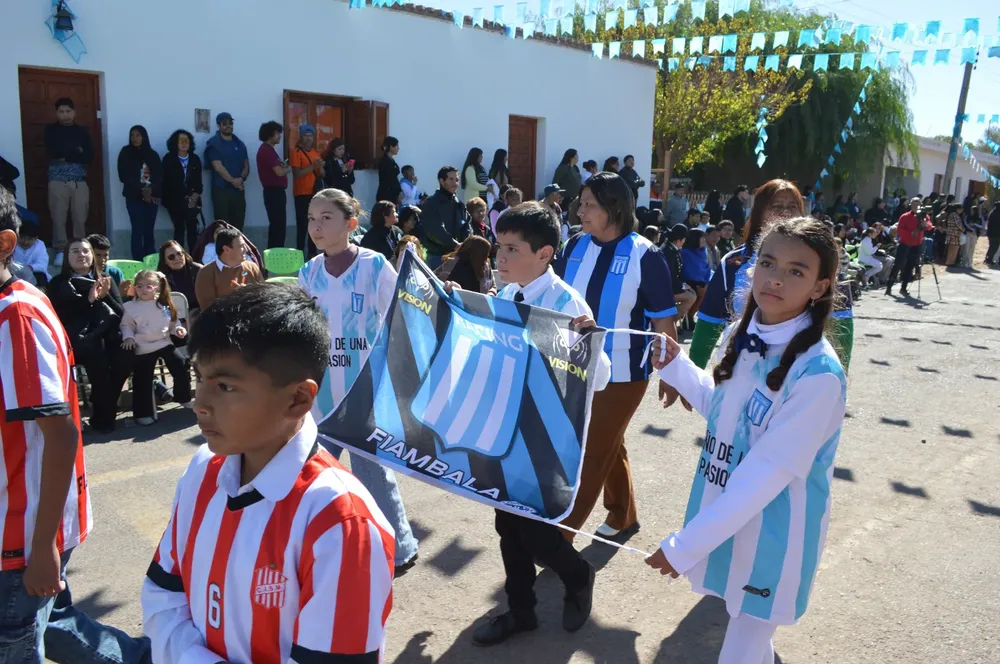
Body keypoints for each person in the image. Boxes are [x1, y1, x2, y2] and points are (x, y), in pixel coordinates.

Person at [141, 283, 394, 664]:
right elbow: (163, 595)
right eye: (199, 379)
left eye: (225, 386)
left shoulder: (340, 521)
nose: (200, 403)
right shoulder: (202, 471)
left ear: (298, 399)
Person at [645, 217, 847, 664]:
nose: (775, 278)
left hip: (776, 532)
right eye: (768, 262)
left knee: (744, 643)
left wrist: (686, 544)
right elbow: (724, 411)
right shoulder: (744, 333)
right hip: (728, 512)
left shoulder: (819, 376)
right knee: (747, 625)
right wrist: (677, 367)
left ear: (819, 287)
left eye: (797, 271)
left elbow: (762, 476)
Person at [0, 191, 154, 664]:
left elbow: (62, 434)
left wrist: (44, 544)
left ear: (4, 242)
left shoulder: (16, 317)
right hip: (19, 523)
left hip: (21, 532)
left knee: (16, 642)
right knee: (56, 625)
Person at [469, 202, 607, 646]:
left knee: (534, 531)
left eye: (511, 249)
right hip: (506, 431)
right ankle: (521, 610)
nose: (499, 258)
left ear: (545, 254)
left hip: (546, 439)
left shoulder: (567, 304)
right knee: (507, 526)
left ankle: (577, 573)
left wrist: (587, 343)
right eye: (498, 246)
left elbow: (599, 377)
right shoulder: (507, 296)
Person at [297, 188, 419, 569]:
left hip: (365, 391)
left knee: (373, 474)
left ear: (351, 224)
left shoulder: (374, 265)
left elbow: (403, 314)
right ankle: (317, 549)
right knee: (314, 476)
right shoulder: (309, 271)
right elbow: (303, 325)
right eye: (311, 219)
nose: (316, 226)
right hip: (321, 396)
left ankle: (399, 549)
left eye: (326, 218)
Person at [555, 172, 678, 539]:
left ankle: (559, 535)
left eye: (590, 204)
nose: (580, 210)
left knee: (592, 451)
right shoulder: (574, 245)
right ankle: (623, 514)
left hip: (624, 374)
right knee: (610, 442)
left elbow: (665, 324)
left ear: (614, 208)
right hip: (574, 366)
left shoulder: (646, 255)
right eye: (581, 202)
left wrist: (673, 376)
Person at [687, 179, 853, 374]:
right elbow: (709, 320)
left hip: (799, 373)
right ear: (759, 213)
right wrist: (690, 372)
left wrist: (839, 375)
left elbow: (842, 323)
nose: (785, 212)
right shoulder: (733, 263)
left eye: (792, 206)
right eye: (776, 206)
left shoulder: (824, 261)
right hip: (742, 369)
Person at [48, 238, 130, 433]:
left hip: (107, 334)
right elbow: (60, 315)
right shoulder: (59, 283)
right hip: (79, 339)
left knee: (126, 355)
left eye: (85, 251)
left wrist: (105, 295)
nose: (81, 255)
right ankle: (104, 415)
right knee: (97, 353)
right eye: (75, 251)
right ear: (68, 258)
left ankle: (104, 402)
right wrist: (88, 299)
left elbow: (120, 312)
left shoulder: (105, 278)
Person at [120, 270, 192, 425]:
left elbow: (173, 322)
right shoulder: (130, 307)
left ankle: (183, 396)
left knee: (180, 364)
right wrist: (129, 337)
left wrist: (178, 329)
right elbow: (126, 325)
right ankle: (142, 412)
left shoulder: (164, 304)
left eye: (148, 286)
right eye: (139, 286)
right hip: (143, 345)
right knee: (143, 378)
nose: (143, 290)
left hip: (164, 342)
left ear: (156, 288)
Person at [46, 98, 94, 267]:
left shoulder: (82, 131)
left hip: (79, 182)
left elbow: (88, 155)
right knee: (58, 217)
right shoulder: (51, 130)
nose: (65, 115)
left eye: (68, 111)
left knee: (80, 217)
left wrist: (66, 153)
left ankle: (79, 251)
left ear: (74, 112)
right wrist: (75, 151)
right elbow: (53, 151)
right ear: (56, 112)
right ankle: (60, 251)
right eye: (61, 111)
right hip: (57, 182)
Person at [117, 125, 162, 260]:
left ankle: (150, 260)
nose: (135, 138)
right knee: (138, 229)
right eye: (132, 135)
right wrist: (141, 189)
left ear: (144, 136)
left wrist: (151, 189)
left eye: (138, 135)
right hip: (134, 196)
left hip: (151, 197)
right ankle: (137, 260)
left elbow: (159, 175)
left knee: (149, 230)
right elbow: (123, 175)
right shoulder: (126, 152)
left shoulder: (152, 154)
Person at [194, 227, 263, 309]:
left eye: (245, 246)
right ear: (226, 249)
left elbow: (264, 296)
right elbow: (208, 309)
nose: (245, 249)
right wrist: (237, 298)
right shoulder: (206, 273)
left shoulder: (252, 267)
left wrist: (248, 294)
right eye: (241, 246)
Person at [204, 112, 249, 229]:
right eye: (225, 123)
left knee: (238, 226)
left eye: (231, 123)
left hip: (238, 191)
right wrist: (233, 181)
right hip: (221, 191)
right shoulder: (214, 143)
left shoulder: (239, 143)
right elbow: (218, 166)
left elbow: (246, 165)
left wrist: (241, 179)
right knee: (222, 227)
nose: (228, 126)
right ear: (218, 126)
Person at [161, 129, 204, 251]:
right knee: (179, 229)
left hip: (192, 202)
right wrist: (183, 197)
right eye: (181, 141)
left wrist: (194, 197)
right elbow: (167, 182)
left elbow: (199, 183)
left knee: (193, 230)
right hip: (174, 201)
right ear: (175, 142)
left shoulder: (195, 159)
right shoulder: (168, 159)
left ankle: (194, 259)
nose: (184, 143)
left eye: (187, 141)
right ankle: (179, 258)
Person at [421, 166, 472, 268]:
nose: (455, 183)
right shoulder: (431, 203)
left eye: (457, 180)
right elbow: (434, 230)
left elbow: (466, 227)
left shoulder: (460, 205)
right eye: (451, 179)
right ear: (442, 181)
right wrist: (455, 245)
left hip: (457, 256)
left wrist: (465, 244)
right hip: (436, 257)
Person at [885, 197, 931, 297]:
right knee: (897, 265)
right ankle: (889, 287)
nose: (916, 206)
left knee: (910, 266)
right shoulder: (904, 216)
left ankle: (904, 288)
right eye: (914, 204)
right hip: (905, 243)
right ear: (911, 205)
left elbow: (929, 226)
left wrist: (925, 224)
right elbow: (900, 230)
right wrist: (911, 233)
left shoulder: (924, 216)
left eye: (918, 204)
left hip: (916, 244)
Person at [290, 125, 325, 256]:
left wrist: (320, 167)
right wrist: (313, 166)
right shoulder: (296, 152)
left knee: (314, 224)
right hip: (301, 194)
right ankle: (299, 254)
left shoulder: (316, 152)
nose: (308, 138)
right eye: (306, 135)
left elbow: (321, 174)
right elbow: (297, 173)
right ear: (301, 137)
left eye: (310, 136)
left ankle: (312, 253)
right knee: (302, 225)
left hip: (314, 194)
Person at [256, 120, 291, 250]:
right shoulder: (266, 150)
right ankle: (276, 255)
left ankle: (274, 254)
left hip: (275, 192)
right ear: (270, 134)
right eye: (277, 133)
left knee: (277, 225)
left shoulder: (269, 150)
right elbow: (279, 172)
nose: (280, 136)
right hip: (274, 192)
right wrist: (289, 168)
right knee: (278, 226)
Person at [661, 223, 697, 321]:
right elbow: (669, 276)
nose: (685, 242)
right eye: (684, 239)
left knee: (692, 293)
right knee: (690, 298)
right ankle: (669, 321)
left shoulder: (671, 249)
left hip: (670, 286)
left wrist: (684, 285)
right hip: (662, 290)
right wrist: (683, 286)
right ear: (678, 240)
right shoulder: (669, 252)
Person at [192, 219, 263, 268]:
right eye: (217, 232)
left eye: (223, 231)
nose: (220, 234)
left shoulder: (236, 244)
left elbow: (248, 260)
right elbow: (207, 263)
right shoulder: (209, 247)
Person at [157, 240, 201, 313]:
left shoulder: (199, 270)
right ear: (165, 261)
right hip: (172, 315)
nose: (177, 258)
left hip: (198, 311)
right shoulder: (160, 277)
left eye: (179, 254)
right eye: (171, 257)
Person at [681, 228, 711, 320]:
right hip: (687, 281)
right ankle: (689, 317)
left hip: (701, 281)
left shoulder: (703, 252)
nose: (704, 240)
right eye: (701, 238)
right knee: (702, 291)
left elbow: (706, 268)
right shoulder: (685, 252)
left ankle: (691, 315)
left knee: (709, 288)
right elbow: (687, 271)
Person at [14, 218, 50, 287]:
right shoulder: (12, 243)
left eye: (29, 239)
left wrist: (29, 268)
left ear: (36, 238)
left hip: (36, 275)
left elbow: (42, 265)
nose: (25, 242)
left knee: (41, 276)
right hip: (15, 276)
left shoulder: (40, 245)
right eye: (22, 238)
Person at [376, 135, 402, 204]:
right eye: (396, 146)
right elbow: (389, 179)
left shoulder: (391, 160)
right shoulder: (385, 161)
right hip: (387, 195)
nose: (398, 148)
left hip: (393, 194)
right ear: (391, 147)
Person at [986, 200, 1000, 267]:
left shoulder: (992, 212)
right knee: (994, 247)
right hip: (996, 234)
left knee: (992, 246)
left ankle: (988, 259)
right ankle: (989, 259)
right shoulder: (997, 213)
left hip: (991, 233)